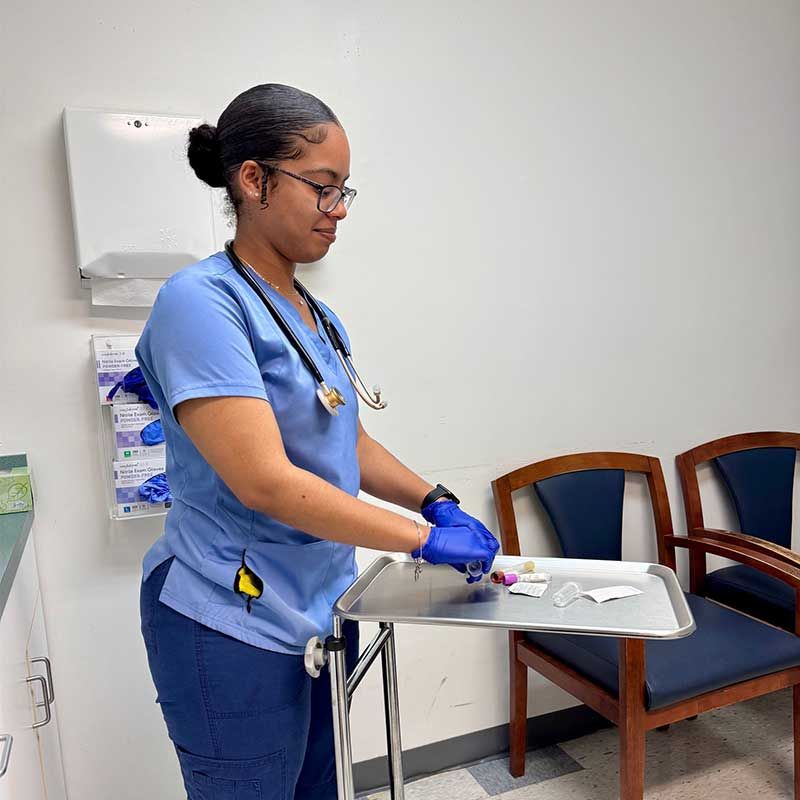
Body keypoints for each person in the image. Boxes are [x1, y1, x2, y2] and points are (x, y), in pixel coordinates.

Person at [136, 83, 499, 800]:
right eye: (322, 188)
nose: (337, 212)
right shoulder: (201, 303)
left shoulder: (316, 313)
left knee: (320, 790)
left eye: (344, 193)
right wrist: (418, 542)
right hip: (229, 617)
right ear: (253, 180)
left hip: (321, 609)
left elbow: (347, 439)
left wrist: (436, 501)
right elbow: (263, 482)